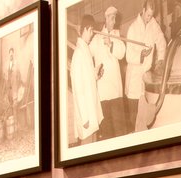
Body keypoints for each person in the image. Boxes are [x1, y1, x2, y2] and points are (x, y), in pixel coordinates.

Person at [124, 0, 166, 132]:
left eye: (151, 15)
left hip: (145, 77)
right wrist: (141, 55)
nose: (149, 18)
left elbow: (162, 42)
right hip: (134, 77)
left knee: (144, 118)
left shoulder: (154, 25)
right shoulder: (133, 28)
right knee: (133, 117)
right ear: (143, 10)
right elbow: (128, 56)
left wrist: (160, 60)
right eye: (147, 15)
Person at [92, 6, 126, 140]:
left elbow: (122, 54)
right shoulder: (96, 37)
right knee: (107, 130)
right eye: (111, 18)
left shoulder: (117, 35)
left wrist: (111, 44)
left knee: (120, 129)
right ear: (106, 19)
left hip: (115, 90)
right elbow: (89, 52)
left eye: (115, 18)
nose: (114, 21)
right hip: (103, 91)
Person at [70, 14, 103, 146]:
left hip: (91, 108)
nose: (92, 35)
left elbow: (87, 78)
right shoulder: (78, 54)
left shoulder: (86, 50)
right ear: (86, 29)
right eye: (91, 32)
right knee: (87, 147)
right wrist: (84, 118)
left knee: (94, 143)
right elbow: (78, 89)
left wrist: (96, 75)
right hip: (86, 115)